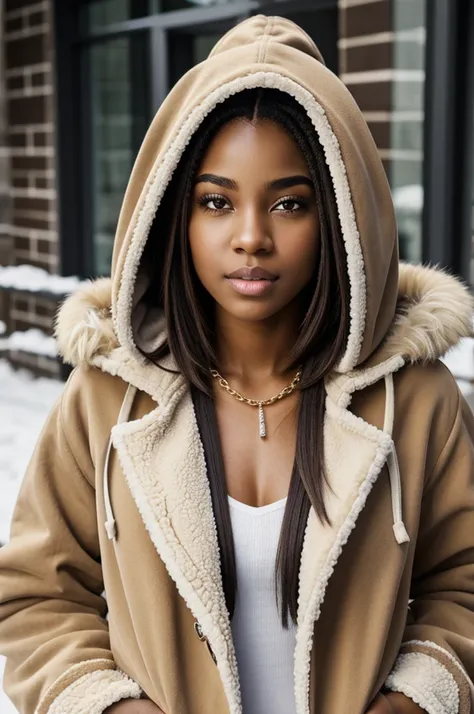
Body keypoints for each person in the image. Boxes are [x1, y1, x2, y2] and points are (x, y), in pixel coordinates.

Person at [1, 14, 474, 714]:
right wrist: (110, 707)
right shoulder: (107, 400)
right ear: (175, 216)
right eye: (216, 202)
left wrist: (412, 701)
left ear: (340, 216)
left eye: (289, 203)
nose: (251, 237)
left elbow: (463, 586)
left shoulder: (418, 399)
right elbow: (37, 596)